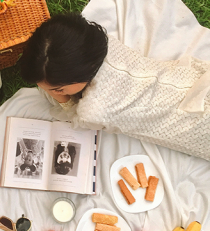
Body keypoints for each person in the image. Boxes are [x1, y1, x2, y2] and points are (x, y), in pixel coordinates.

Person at [20, 13, 210, 162]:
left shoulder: (94, 110)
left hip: (195, 126)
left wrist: (62, 99)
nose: (51, 93)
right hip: (190, 81)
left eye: (56, 89)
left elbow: (74, 118)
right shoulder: (104, 43)